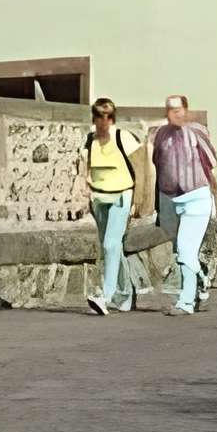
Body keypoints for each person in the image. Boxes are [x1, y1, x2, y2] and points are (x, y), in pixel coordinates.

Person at [149, 95, 217, 316]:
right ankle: (201, 278)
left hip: (196, 196)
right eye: (171, 110)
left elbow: (213, 160)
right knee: (182, 250)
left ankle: (186, 302)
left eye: (179, 109)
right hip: (171, 199)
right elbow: (157, 163)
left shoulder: (196, 132)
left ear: (186, 110)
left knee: (186, 251)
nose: (176, 113)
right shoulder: (160, 135)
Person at [75, 96, 141, 316]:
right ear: (94, 118)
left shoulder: (123, 137)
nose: (104, 121)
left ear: (113, 118)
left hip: (122, 195)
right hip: (100, 198)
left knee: (111, 245)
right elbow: (85, 168)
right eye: (100, 116)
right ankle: (126, 292)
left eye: (109, 116)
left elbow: (141, 168)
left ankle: (106, 295)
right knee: (111, 246)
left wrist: (139, 200)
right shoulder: (89, 140)